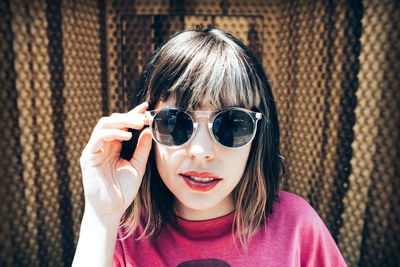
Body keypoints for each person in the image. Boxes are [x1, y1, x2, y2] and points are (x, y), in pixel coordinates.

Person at [72, 28, 347, 267]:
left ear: (258, 135)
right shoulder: (120, 233)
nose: (201, 150)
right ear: (146, 128)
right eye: (176, 123)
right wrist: (100, 215)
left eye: (230, 125)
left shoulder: (297, 226)